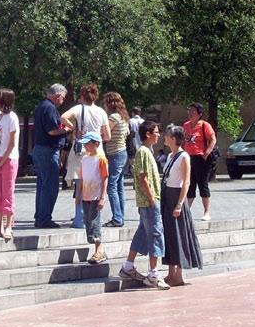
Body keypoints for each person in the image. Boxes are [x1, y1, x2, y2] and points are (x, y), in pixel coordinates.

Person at [119, 121, 170, 290]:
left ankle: (128, 266)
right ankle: (153, 273)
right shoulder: (143, 152)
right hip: (149, 201)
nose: (159, 134)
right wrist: (151, 198)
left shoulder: (148, 151)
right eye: (156, 132)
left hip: (149, 200)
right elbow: (142, 178)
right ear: (148, 134)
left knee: (142, 233)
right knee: (156, 233)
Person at [61, 84, 111, 229]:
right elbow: (107, 136)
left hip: (81, 150)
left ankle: (79, 218)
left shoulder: (79, 108)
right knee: (97, 185)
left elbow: (63, 117)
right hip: (98, 150)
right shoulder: (101, 112)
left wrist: (74, 128)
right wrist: (96, 136)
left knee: (80, 187)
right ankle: (95, 217)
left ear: (82, 96)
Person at [160, 125, 202, 286]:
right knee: (169, 234)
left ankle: (179, 274)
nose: (165, 137)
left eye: (167, 135)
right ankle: (171, 273)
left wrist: (179, 205)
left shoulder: (184, 156)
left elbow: (186, 182)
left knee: (178, 234)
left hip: (176, 198)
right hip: (167, 196)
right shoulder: (170, 155)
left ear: (173, 138)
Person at [32, 84, 69, 229]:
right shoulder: (50, 108)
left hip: (40, 149)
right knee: (50, 186)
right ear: (58, 95)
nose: (63, 101)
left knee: (42, 185)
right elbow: (53, 131)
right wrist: (67, 129)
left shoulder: (41, 106)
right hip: (48, 150)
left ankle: (40, 216)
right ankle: (44, 218)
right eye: (63, 98)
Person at [0, 89, 19, 241]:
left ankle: (8, 226)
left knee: (8, 193)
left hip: (9, 159)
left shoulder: (12, 118)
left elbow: (12, 143)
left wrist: (2, 160)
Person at [76, 132, 108, 264]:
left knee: (94, 223)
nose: (86, 146)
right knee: (88, 222)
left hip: (96, 195)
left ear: (96, 144)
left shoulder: (101, 159)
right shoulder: (85, 159)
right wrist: (78, 194)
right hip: (86, 195)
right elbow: (82, 179)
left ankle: (99, 250)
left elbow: (105, 178)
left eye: (88, 143)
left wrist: (102, 197)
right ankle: (99, 249)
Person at [182, 103, 216, 219]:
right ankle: (186, 212)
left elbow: (213, 139)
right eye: (189, 110)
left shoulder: (204, 125)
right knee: (189, 184)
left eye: (193, 111)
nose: (190, 113)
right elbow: (184, 141)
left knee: (203, 184)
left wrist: (207, 152)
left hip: (201, 158)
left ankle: (207, 212)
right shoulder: (186, 125)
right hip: (188, 157)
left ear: (199, 114)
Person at [103, 91, 130, 227]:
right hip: (122, 152)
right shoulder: (123, 116)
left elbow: (105, 132)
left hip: (115, 153)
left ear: (110, 103)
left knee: (111, 186)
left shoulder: (113, 117)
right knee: (119, 186)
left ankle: (117, 218)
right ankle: (120, 216)